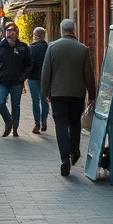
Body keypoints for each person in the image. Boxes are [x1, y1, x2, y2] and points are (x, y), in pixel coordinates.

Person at [41, 18, 96, 176]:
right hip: (77, 94)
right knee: (75, 123)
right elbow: (89, 74)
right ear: (74, 30)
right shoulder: (82, 49)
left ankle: (64, 157)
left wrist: (45, 93)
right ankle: (75, 151)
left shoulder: (52, 47)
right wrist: (91, 94)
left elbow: (46, 73)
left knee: (61, 125)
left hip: (57, 94)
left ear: (61, 30)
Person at [0, 22, 31, 136]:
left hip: (17, 82)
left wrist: (23, 76)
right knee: (0, 103)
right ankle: (9, 121)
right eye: (8, 31)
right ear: (5, 33)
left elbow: (29, 64)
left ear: (17, 33)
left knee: (15, 105)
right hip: (2, 81)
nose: (10, 33)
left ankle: (15, 129)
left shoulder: (23, 47)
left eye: (12, 30)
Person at [26, 27, 49, 134]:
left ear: (35, 35)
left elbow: (28, 63)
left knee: (35, 101)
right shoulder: (48, 48)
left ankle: (37, 124)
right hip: (45, 78)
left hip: (33, 77)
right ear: (44, 36)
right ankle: (44, 120)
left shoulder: (31, 48)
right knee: (44, 100)